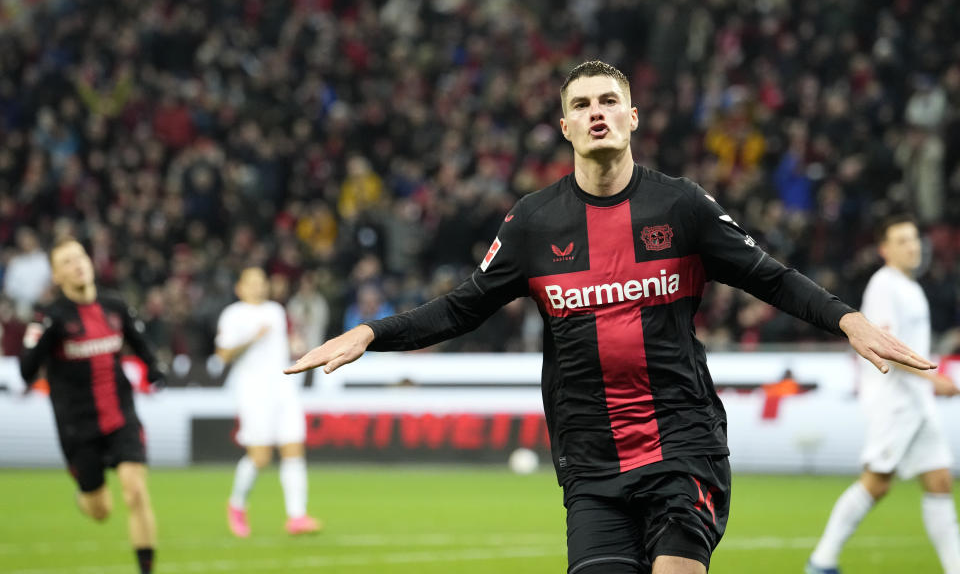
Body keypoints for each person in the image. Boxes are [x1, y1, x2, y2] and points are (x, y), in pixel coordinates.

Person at [286, 61, 934, 574]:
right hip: (590, 461)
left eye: (606, 101)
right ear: (565, 127)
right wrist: (370, 333)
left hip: (683, 443)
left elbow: (770, 276)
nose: (595, 113)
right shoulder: (534, 223)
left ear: (631, 117)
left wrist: (848, 320)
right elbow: (461, 307)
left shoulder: (681, 207)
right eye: (580, 105)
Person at [807, 217, 960, 574]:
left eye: (914, 239)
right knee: (877, 482)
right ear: (884, 249)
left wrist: (929, 380)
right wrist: (931, 377)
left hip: (916, 401)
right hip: (894, 401)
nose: (913, 246)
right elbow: (885, 346)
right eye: (902, 240)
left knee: (939, 481)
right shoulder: (884, 286)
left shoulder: (910, 287)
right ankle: (821, 562)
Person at [19, 237, 163, 574]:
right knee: (100, 510)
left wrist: (156, 369)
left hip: (121, 414)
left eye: (80, 257)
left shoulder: (115, 305)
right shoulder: (49, 316)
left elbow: (139, 342)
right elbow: (27, 370)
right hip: (77, 426)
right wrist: (46, 334)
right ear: (57, 276)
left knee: (135, 491)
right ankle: (85, 496)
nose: (77, 264)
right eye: (67, 262)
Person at [215, 266, 320, 537]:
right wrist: (252, 338)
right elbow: (223, 354)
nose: (258, 287)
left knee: (293, 448)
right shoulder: (233, 314)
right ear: (239, 287)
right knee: (260, 457)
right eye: (251, 282)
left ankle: (297, 516)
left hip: (284, 388)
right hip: (254, 391)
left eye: (261, 282)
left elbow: (285, 344)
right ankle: (237, 504)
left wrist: (296, 345)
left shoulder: (275, 310)